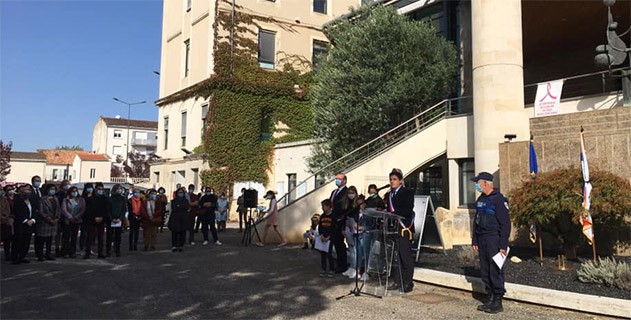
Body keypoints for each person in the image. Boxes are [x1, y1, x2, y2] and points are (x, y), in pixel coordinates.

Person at [471, 172, 511, 314]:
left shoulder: (499, 200)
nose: (476, 185)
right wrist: (474, 240)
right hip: (482, 238)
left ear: (486, 183)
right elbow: (476, 221)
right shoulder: (481, 199)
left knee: (495, 269)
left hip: (494, 238)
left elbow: (505, 224)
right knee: (485, 269)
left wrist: (502, 245)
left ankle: (498, 300)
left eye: (478, 182)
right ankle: (490, 296)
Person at [384, 168, 415, 293]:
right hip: (393, 229)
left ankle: (408, 282)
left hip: (404, 228)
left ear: (401, 181)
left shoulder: (407, 192)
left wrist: (393, 214)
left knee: (405, 256)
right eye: (391, 179)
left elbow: (407, 209)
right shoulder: (389, 194)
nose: (392, 182)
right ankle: (398, 281)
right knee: (395, 257)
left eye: (394, 179)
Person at [11, 184, 37, 264]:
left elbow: (34, 211)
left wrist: (32, 220)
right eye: (26, 190)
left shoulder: (31, 201)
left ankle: (22, 256)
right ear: (21, 191)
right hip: (21, 224)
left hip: (30, 224)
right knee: (18, 241)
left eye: (29, 190)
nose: (28, 192)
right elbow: (18, 212)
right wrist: (25, 221)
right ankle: (15, 258)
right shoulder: (18, 201)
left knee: (26, 241)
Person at [35, 184, 60, 261]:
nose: (52, 190)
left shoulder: (55, 198)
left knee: (50, 239)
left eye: (54, 189)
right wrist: (49, 219)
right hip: (45, 222)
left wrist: (56, 219)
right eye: (51, 189)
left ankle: (48, 254)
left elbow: (59, 209)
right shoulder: (42, 199)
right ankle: (40, 255)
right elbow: (41, 211)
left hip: (54, 221)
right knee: (42, 239)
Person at [84, 183, 109, 259]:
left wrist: (102, 218)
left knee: (100, 237)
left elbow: (106, 210)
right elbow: (88, 210)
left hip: (101, 220)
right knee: (90, 237)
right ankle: (87, 252)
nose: (100, 191)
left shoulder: (105, 199)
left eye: (101, 189)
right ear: (95, 189)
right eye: (98, 189)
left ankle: (100, 253)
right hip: (92, 220)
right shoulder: (91, 198)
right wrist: (94, 217)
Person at [330, 172, 348, 273]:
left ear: (344, 181)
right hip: (333, 220)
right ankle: (338, 263)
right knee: (335, 243)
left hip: (340, 221)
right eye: (336, 178)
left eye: (339, 179)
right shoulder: (334, 192)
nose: (336, 180)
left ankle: (342, 265)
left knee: (340, 243)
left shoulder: (346, 192)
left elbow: (343, 207)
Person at [60, 186, 85, 258]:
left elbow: (83, 209)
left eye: (76, 191)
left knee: (74, 237)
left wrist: (76, 217)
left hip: (77, 220)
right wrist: (70, 217)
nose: (74, 193)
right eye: (73, 191)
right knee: (67, 237)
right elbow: (64, 209)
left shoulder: (81, 200)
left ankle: (72, 252)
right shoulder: (66, 200)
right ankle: (65, 252)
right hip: (68, 220)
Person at [342, 186, 361, 278]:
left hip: (355, 227)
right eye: (349, 193)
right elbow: (344, 216)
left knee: (355, 249)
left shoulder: (357, 204)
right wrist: (343, 229)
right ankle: (351, 267)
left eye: (352, 193)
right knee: (350, 248)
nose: (350, 195)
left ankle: (356, 268)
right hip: (348, 227)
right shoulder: (346, 204)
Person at [107, 184, 127, 257]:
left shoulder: (123, 198)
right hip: (111, 219)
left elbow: (124, 209)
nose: (119, 190)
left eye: (120, 189)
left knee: (118, 236)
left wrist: (120, 218)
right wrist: (112, 218)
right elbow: (108, 210)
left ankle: (117, 250)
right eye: (118, 189)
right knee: (109, 236)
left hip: (119, 220)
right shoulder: (110, 199)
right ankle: (108, 251)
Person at [169, 187, 190, 252]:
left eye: (181, 192)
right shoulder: (173, 201)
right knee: (174, 233)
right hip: (175, 218)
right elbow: (174, 208)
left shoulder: (186, 201)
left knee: (182, 233)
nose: (180, 194)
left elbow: (186, 207)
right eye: (179, 192)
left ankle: (181, 246)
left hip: (183, 219)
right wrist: (181, 207)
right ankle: (174, 246)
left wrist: (179, 206)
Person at [318, 198, 335, 277]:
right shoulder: (322, 216)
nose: (322, 208)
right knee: (323, 254)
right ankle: (323, 269)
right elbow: (320, 227)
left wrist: (329, 237)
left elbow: (334, 228)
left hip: (329, 238)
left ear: (328, 206)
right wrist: (321, 235)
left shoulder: (333, 216)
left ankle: (332, 269)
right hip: (322, 237)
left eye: (323, 206)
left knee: (329, 254)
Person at [55, 179, 71, 257]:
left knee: (66, 235)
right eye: (65, 184)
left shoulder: (70, 194)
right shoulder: (58, 194)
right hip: (59, 216)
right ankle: (57, 248)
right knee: (58, 234)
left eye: (68, 184)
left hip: (67, 217)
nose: (67, 186)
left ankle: (64, 249)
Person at [1, 185, 15, 261]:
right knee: (7, 239)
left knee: (14, 239)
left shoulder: (16, 198)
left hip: (15, 220)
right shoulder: (4, 199)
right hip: (6, 221)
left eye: (12, 189)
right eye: (9, 189)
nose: (11, 191)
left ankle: (13, 253)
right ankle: (7, 254)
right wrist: (7, 218)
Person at [79, 183, 94, 253]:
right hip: (84, 217)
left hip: (92, 218)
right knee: (83, 234)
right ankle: (82, 248)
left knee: (91, 234)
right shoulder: (82, 198)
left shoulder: (94, 197)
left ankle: (89, 248)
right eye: (88, 188)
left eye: (91, 188)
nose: (90, 189)